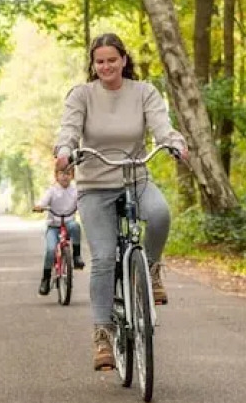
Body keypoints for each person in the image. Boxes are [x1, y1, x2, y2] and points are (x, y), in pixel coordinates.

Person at [54, 33, 187, 373]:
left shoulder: (143, 92)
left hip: (134, 178)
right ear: (93, 64)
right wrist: (64, 151)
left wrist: (174, 143)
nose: (106, 66)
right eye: (100, 61)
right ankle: (102, 334)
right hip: (95, 186)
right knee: (102, 258)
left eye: (112, 60)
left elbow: (161, 125)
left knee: (158, 214)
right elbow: (68, 130)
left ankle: (152, 269)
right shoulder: (82, 95)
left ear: (124, 60)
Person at [33, 161, 83, 295]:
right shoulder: (52, 191)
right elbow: (43, 201)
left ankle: (77, 256)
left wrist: (84, 207)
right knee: (50, 250)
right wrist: (39, 206)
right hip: (54, 226)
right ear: (56, 176)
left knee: (76, 227)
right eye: (61, 174)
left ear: (72, 175)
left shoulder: (75, 190)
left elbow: (82, 202)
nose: (65, 177)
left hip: (68, 223)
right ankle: (46, 278)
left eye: (68, 174)